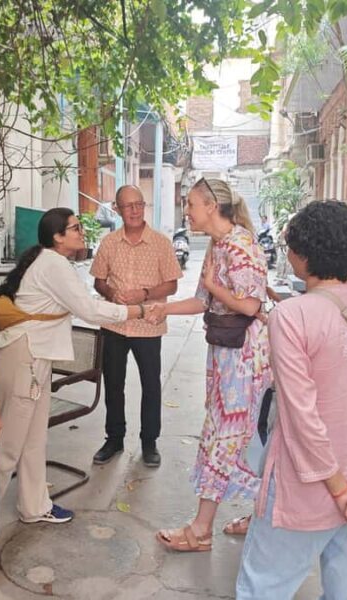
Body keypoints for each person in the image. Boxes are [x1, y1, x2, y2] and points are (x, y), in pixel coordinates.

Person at [236, 201, 347, 599]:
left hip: (307, 485)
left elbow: (301, 415)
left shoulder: (292, 316)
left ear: (301, 255)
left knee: (263, 587)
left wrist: (339, 489)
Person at [0, 208, 151, 525]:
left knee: (34, 440)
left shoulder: (51, 261)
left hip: (33, 357)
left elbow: (81, 302)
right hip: (25, 358)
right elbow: (89, 311)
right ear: (57, 236)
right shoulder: (53, 264)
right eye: (75, 228)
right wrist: (138, 311)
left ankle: (34, 506)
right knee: (8, 447)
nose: (82, 232)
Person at [147, 178, 271, 551]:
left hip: (244, 358)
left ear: (211, 206)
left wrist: (215, 288)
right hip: (224, 353)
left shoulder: (241, 246)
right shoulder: (219, 246)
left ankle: (202, 531)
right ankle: (262, 515)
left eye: (191, 204)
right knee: (235, 435)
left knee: (229, 437)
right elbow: (203, 300)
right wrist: (164, 308)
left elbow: (249, 305)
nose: (187, 211)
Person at [90, 185, 183, 468]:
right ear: (117, 210)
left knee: (150, 385)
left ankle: (149, 442)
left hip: (148, 324)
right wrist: (110, 293)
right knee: (113, 384)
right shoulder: (108, 243)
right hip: (115, 324)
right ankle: (114, 439)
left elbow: (172, 283)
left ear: (144, 207)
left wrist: (143, 294)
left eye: (138, 204)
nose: (134, 211)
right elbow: (98, 279)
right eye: (127, 206)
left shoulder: (161, 243)